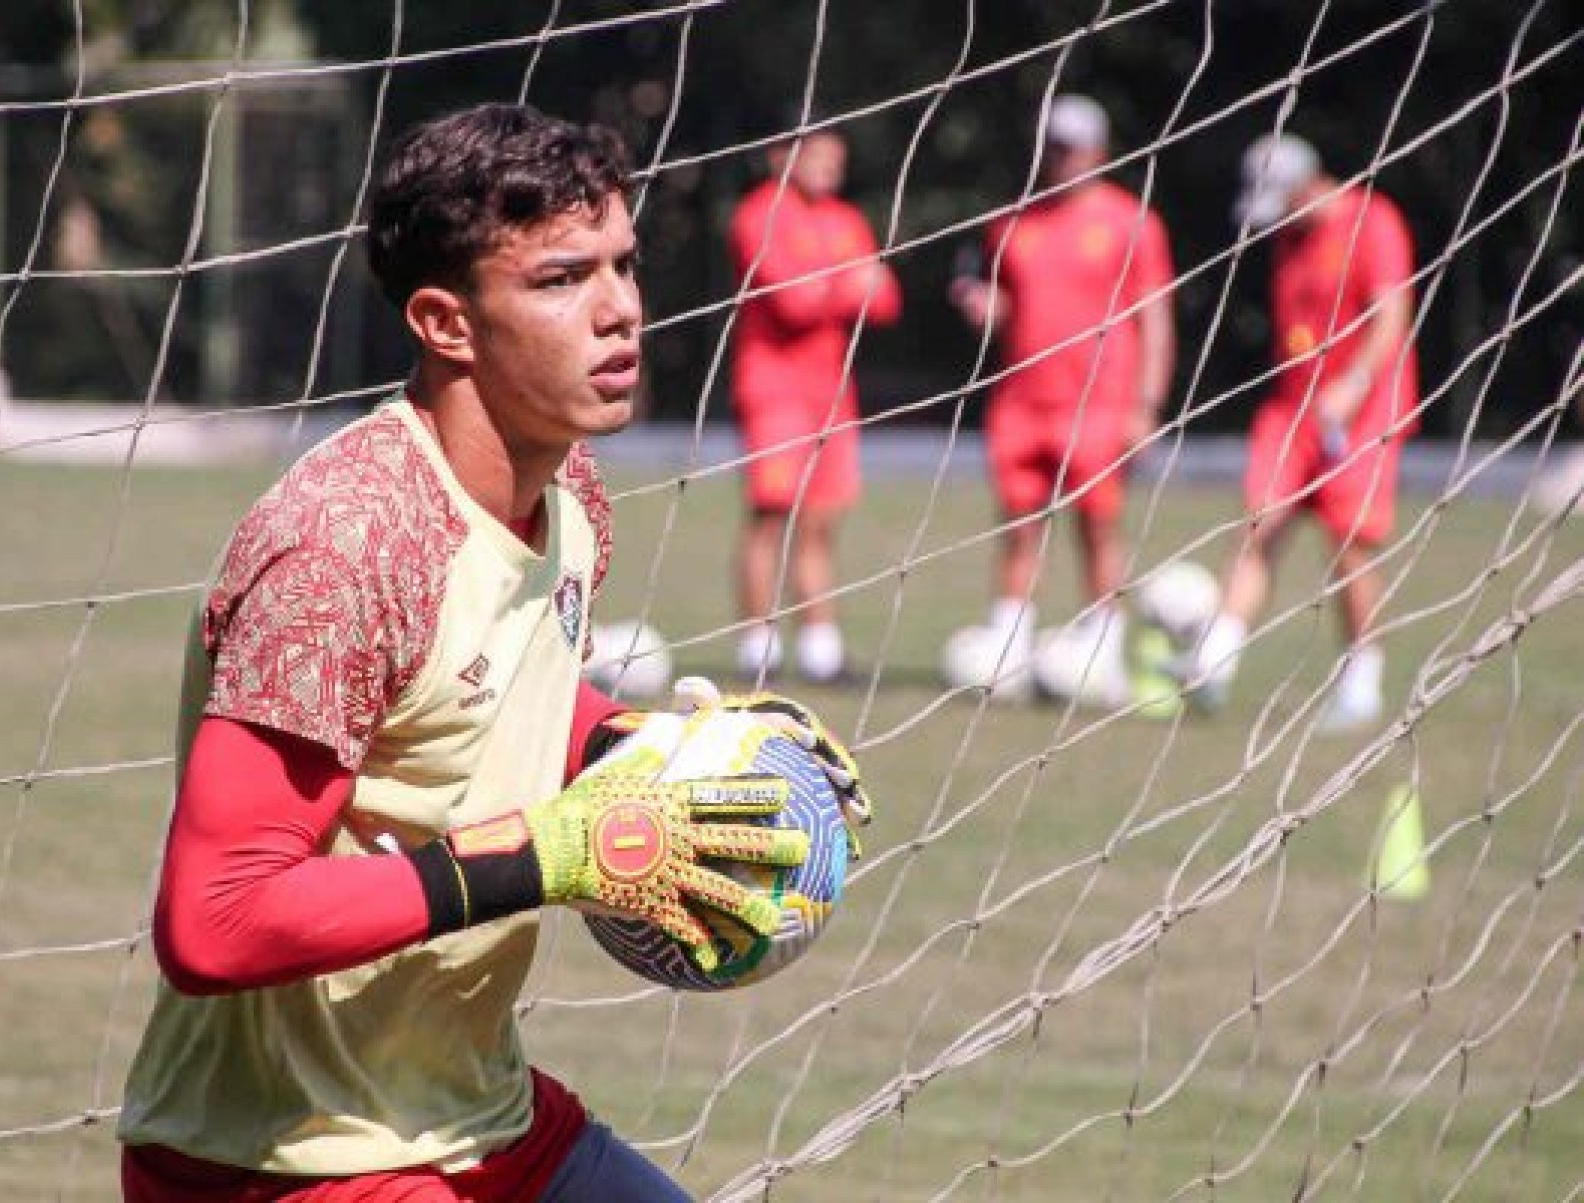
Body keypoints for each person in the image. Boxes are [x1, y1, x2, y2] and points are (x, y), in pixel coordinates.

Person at [115, 103, 870, 1203]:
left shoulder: (569, 493)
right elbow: (214, 921)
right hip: (285, 1159)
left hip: (480, 1114)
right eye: (562, 280)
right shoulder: (344, 545)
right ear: (446, 323)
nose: (620, 311)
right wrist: (546, 857)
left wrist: (662, 760)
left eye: (623, 264)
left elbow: (510, 689)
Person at [1185, 132, 1421, 732]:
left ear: (1306, 185)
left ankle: (1362, 679)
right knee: (1261, 523)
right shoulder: (1288, 238)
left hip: (1363, 410)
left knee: (1350, 545)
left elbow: (1392, 312)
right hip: (1294, 408)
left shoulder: (1374, 220)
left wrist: (1356, 383)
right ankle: (1211, 664)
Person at [948, 93, 1176, 700]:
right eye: (1052, 145)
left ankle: (1105, 647)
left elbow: (1154, 316)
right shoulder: (1012, 222)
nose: (1060, 157)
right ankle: (1009, 648)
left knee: (1098, 527)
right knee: (1018, 525)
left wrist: (1146, 404)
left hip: (1099, 404)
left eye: (1071, 146)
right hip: (1022, 401)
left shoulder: (1132, 223)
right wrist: (986, 311)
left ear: (1098, 152)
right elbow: (1011, 308)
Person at [728, 122, 902, 684]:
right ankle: (758, 648)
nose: (831, 168)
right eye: (821, 156)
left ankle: (821, 651)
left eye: (836, 157)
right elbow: (793, 302)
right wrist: (848, 282)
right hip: (774, 390)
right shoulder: (758, 215)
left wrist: (836, 285)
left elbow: (886, 300)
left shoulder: (845, 219)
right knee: (771, 516)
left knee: (822, 522)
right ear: (783, 156)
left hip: (832, 394)